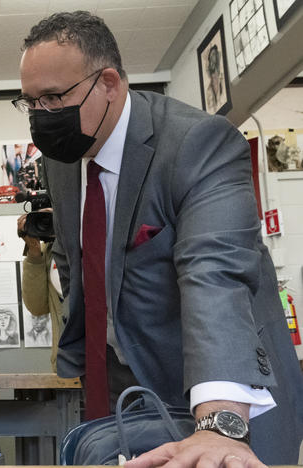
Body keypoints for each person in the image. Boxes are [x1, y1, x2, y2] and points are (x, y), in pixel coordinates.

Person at [16, 10, 303, 466]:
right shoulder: (63, 161)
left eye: (53, 98)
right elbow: (74, 261)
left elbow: (217, 275)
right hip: (122, 391)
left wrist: (220, 422)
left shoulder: (198, 143)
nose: (41, 116)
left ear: (109, 83)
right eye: (30, 102)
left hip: (222, 393)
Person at [18, 209, 63, 370]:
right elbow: (37, 307)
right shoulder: (48, 253)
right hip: (67, 360)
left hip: (105, 356)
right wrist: (34, 252)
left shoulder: (92, 241)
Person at [205, 44, 226, 114]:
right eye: (210, 58)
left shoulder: (223, 82)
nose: (211, 61)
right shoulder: (209, 91)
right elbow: (211, 112)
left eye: (213, 55)